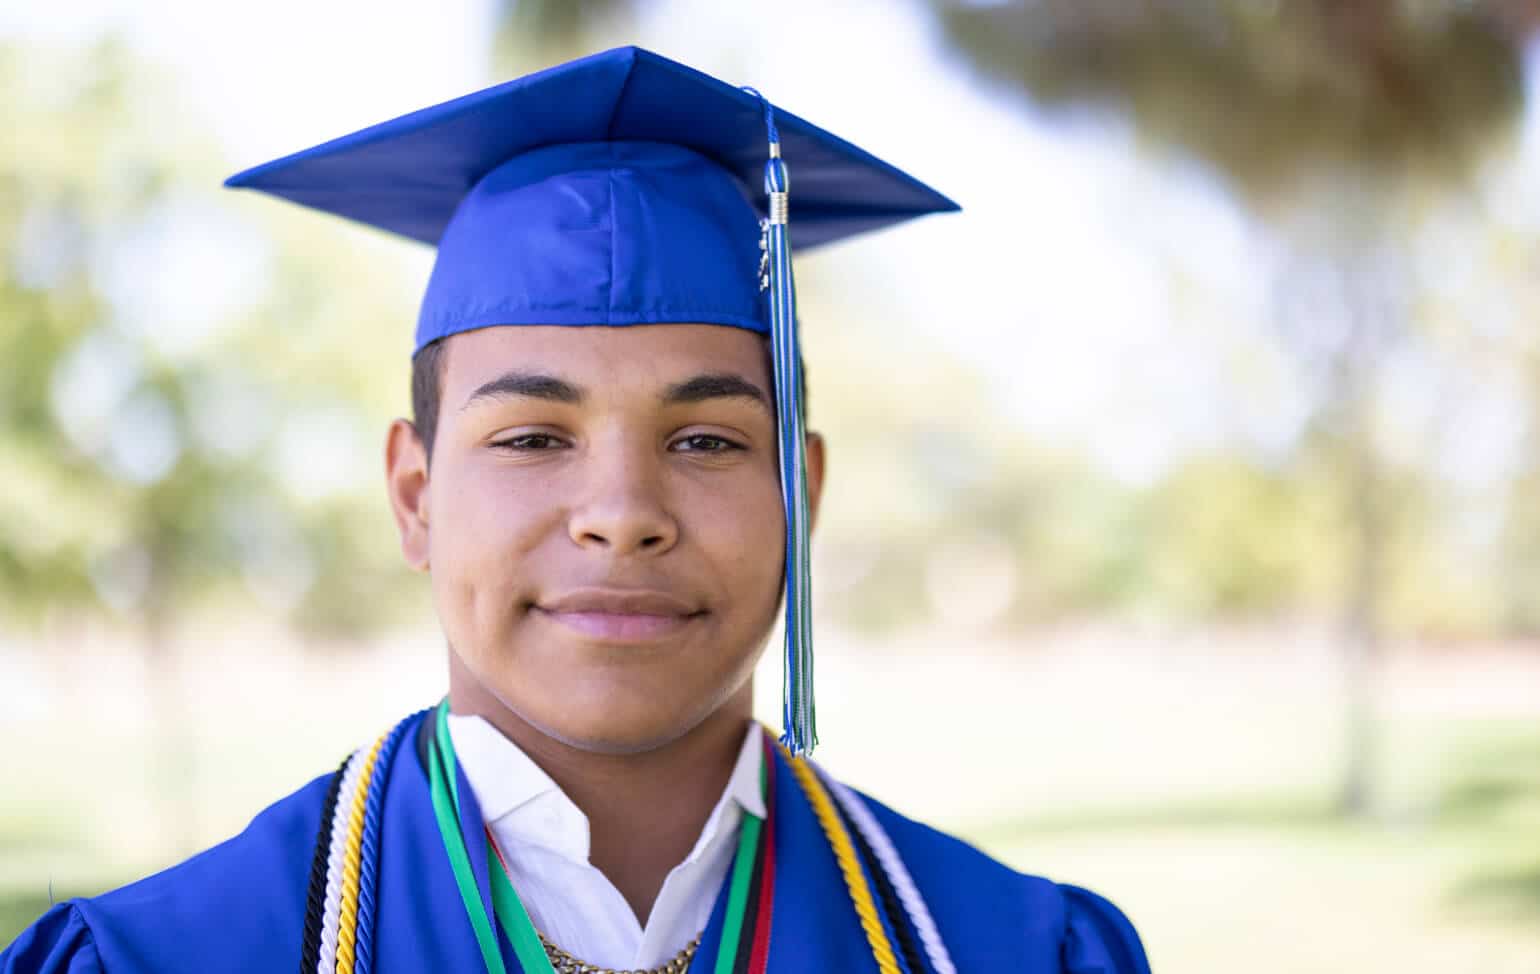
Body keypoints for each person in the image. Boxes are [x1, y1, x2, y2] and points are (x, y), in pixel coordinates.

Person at [2, 46, 1151, 973]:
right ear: (414, 495)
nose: (620, 512)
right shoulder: (173, 954)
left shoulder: (1003, 948)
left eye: (704, 439)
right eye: (532, 437)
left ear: (801, 491)